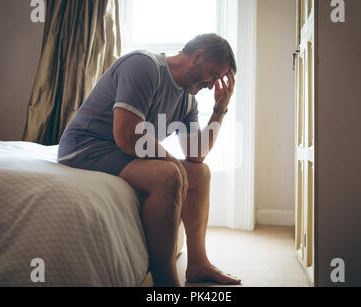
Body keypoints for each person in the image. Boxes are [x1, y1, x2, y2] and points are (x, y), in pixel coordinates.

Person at [58, 33, 241, 287]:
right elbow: (126, 134)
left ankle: (198, 264)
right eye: (213, 75)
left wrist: (220, 108)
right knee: (169, 175)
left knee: (200, 174)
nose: (211, 86)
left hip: (120, 151)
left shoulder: (187, 99)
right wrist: (172, 164)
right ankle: (166, 285)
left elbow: (196, 153)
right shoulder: (144, 66)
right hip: (86, 147)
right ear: (197, 56)